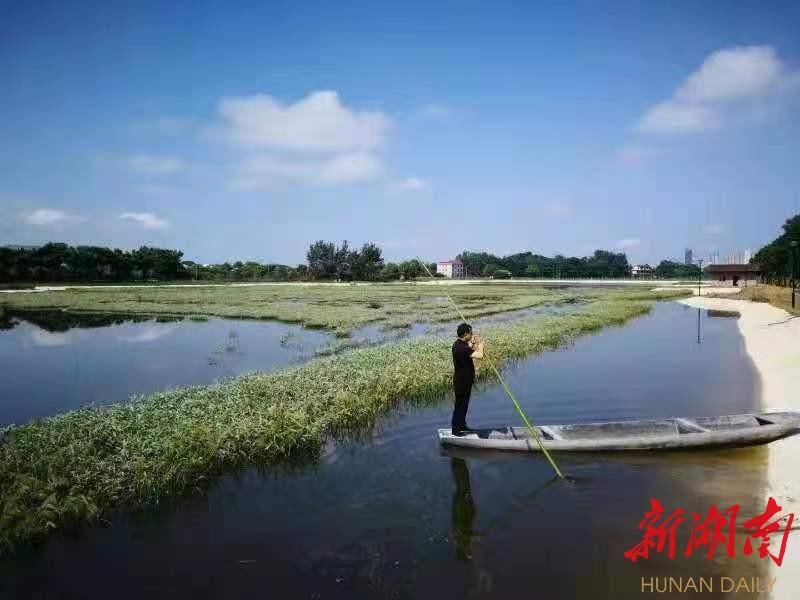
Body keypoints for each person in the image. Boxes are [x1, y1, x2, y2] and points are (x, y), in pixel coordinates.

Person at [451, 322, 484, 435]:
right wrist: (480, 344)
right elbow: (480, 355)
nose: (472, 335)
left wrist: (472, 343)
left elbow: (467, 348)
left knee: (464, 405)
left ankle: (462, 425)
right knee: (460, 406)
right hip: (462, 382)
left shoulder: (458, 344)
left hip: (464, 381)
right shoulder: (462, 348)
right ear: (465, 334)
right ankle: (455, 430)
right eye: (470, 333)